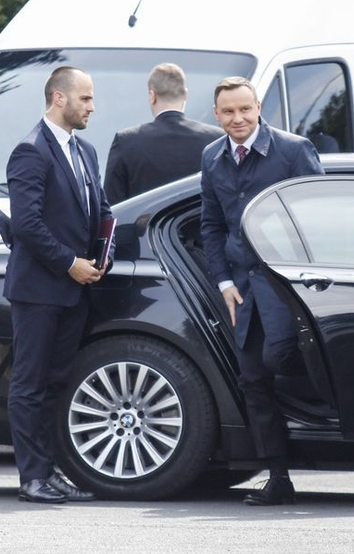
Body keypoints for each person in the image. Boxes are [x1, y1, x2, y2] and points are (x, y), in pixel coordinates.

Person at [199, 77, 323, 506]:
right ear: (216, 115)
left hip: (289, 288)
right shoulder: (212, 157)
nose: (237, 119)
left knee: (282, 360)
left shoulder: (293, 150)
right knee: (253, 379)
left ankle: (323, 444)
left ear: (258, 109)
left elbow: (318, 216)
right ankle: (278, 476)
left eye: (245, 110)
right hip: (243, 291)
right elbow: (211, 225)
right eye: (228, 112)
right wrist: (224, 282)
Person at [4, 66, 113, 503]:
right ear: (59, 99)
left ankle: (50, 473)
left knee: (56, 384)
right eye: (85, 98)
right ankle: (32, 477)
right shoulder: (30, 151)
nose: (92, 106)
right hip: (38, 290)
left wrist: (104, 253)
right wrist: (70, 264)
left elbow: (101, 210)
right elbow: (26, 223)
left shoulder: (85, 150)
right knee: (29, 385)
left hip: (76, 289)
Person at [104, 63, 223, 203]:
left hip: (143, 224)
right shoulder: (216, 138)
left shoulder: (126, 141)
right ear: (185, 94)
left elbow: (111, 205)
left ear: (152, 96)